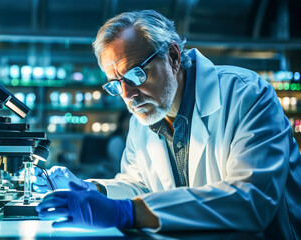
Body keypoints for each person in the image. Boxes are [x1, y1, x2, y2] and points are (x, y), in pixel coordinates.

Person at [34, 10, 301, 239]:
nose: (127, 95)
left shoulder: (246, 94)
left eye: (136, 73)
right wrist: (94, 189)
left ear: (173, 56)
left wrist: (127, 213)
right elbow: (139, 186)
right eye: (117, 84)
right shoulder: (145, 116)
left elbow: (250, 201)